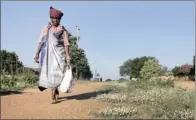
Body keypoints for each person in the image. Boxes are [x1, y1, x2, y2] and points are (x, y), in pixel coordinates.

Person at [34, 6, 70, 104]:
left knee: (58, 73)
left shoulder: (62, 30)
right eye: (53, 18)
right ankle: (53, 94)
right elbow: (40, 41)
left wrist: (67, 57)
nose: (55, 20)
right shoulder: (46, 28)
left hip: (59, 55)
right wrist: (37, 53)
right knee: (51, 74)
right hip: (47, 56)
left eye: (57, 19)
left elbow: (66, 44)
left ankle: (55, 88)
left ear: (59, 19)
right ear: (51, 19)